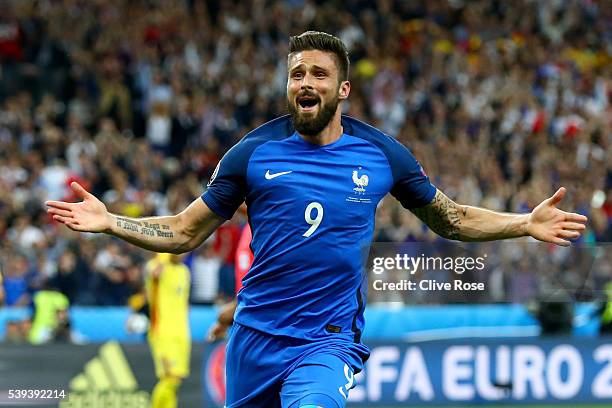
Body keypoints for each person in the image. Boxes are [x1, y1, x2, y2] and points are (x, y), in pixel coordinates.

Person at [46, 31, 588, 408]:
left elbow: (449, 219)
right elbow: (185, 231)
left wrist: (524, 223)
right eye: (297, 73)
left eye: (319, 74)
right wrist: (113, 221)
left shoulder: (382, 155)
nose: (306, 82)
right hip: (254, 338)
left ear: (343, 89)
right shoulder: (251, 154)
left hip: (325, 341)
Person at [144, 253, 191, 408]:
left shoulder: (185, 271)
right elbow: (154, 274)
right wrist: (166, 252)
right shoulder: (156, 266)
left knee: (175, 381)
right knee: (170, 378)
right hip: (163, 331)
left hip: (182, 332)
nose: (184, 252)